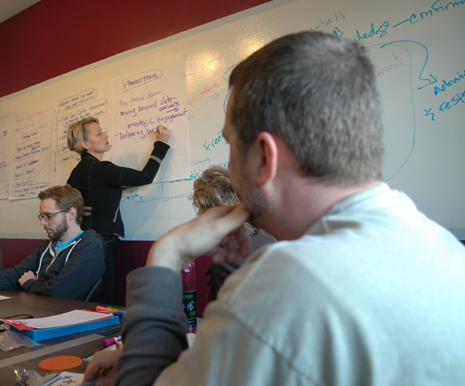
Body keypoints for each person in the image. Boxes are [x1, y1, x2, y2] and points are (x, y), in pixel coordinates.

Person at [83, 31, 465, 386]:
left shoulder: (288, 281)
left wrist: (166, 254)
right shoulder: (441, 247)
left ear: (265, 158)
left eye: (231, 146)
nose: (230, 166)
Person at [0, 185, 105, 300]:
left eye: (48, 216)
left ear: (71, 214)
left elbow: (59, 292)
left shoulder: (90, 245)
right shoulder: (46, 247)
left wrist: (30, 283)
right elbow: (11, 276)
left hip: (68, 323)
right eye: (41, 217)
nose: (42, 223)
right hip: (41, 314)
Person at [66, 117, 171, 304]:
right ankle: (104, 333)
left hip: (82, 239)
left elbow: (69, 203)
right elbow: (145, 177)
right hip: (103, 239)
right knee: (104, 296)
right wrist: (161, 144)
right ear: (85, 144)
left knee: (89, 292)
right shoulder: (101, 169)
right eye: (98, 133)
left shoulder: (76, 172)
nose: (105, 135)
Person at [190, 164, 275, 301]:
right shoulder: (267, 237)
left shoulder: (226, 259)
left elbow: (222, 318)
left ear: (209, 212)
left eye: (200, 208)